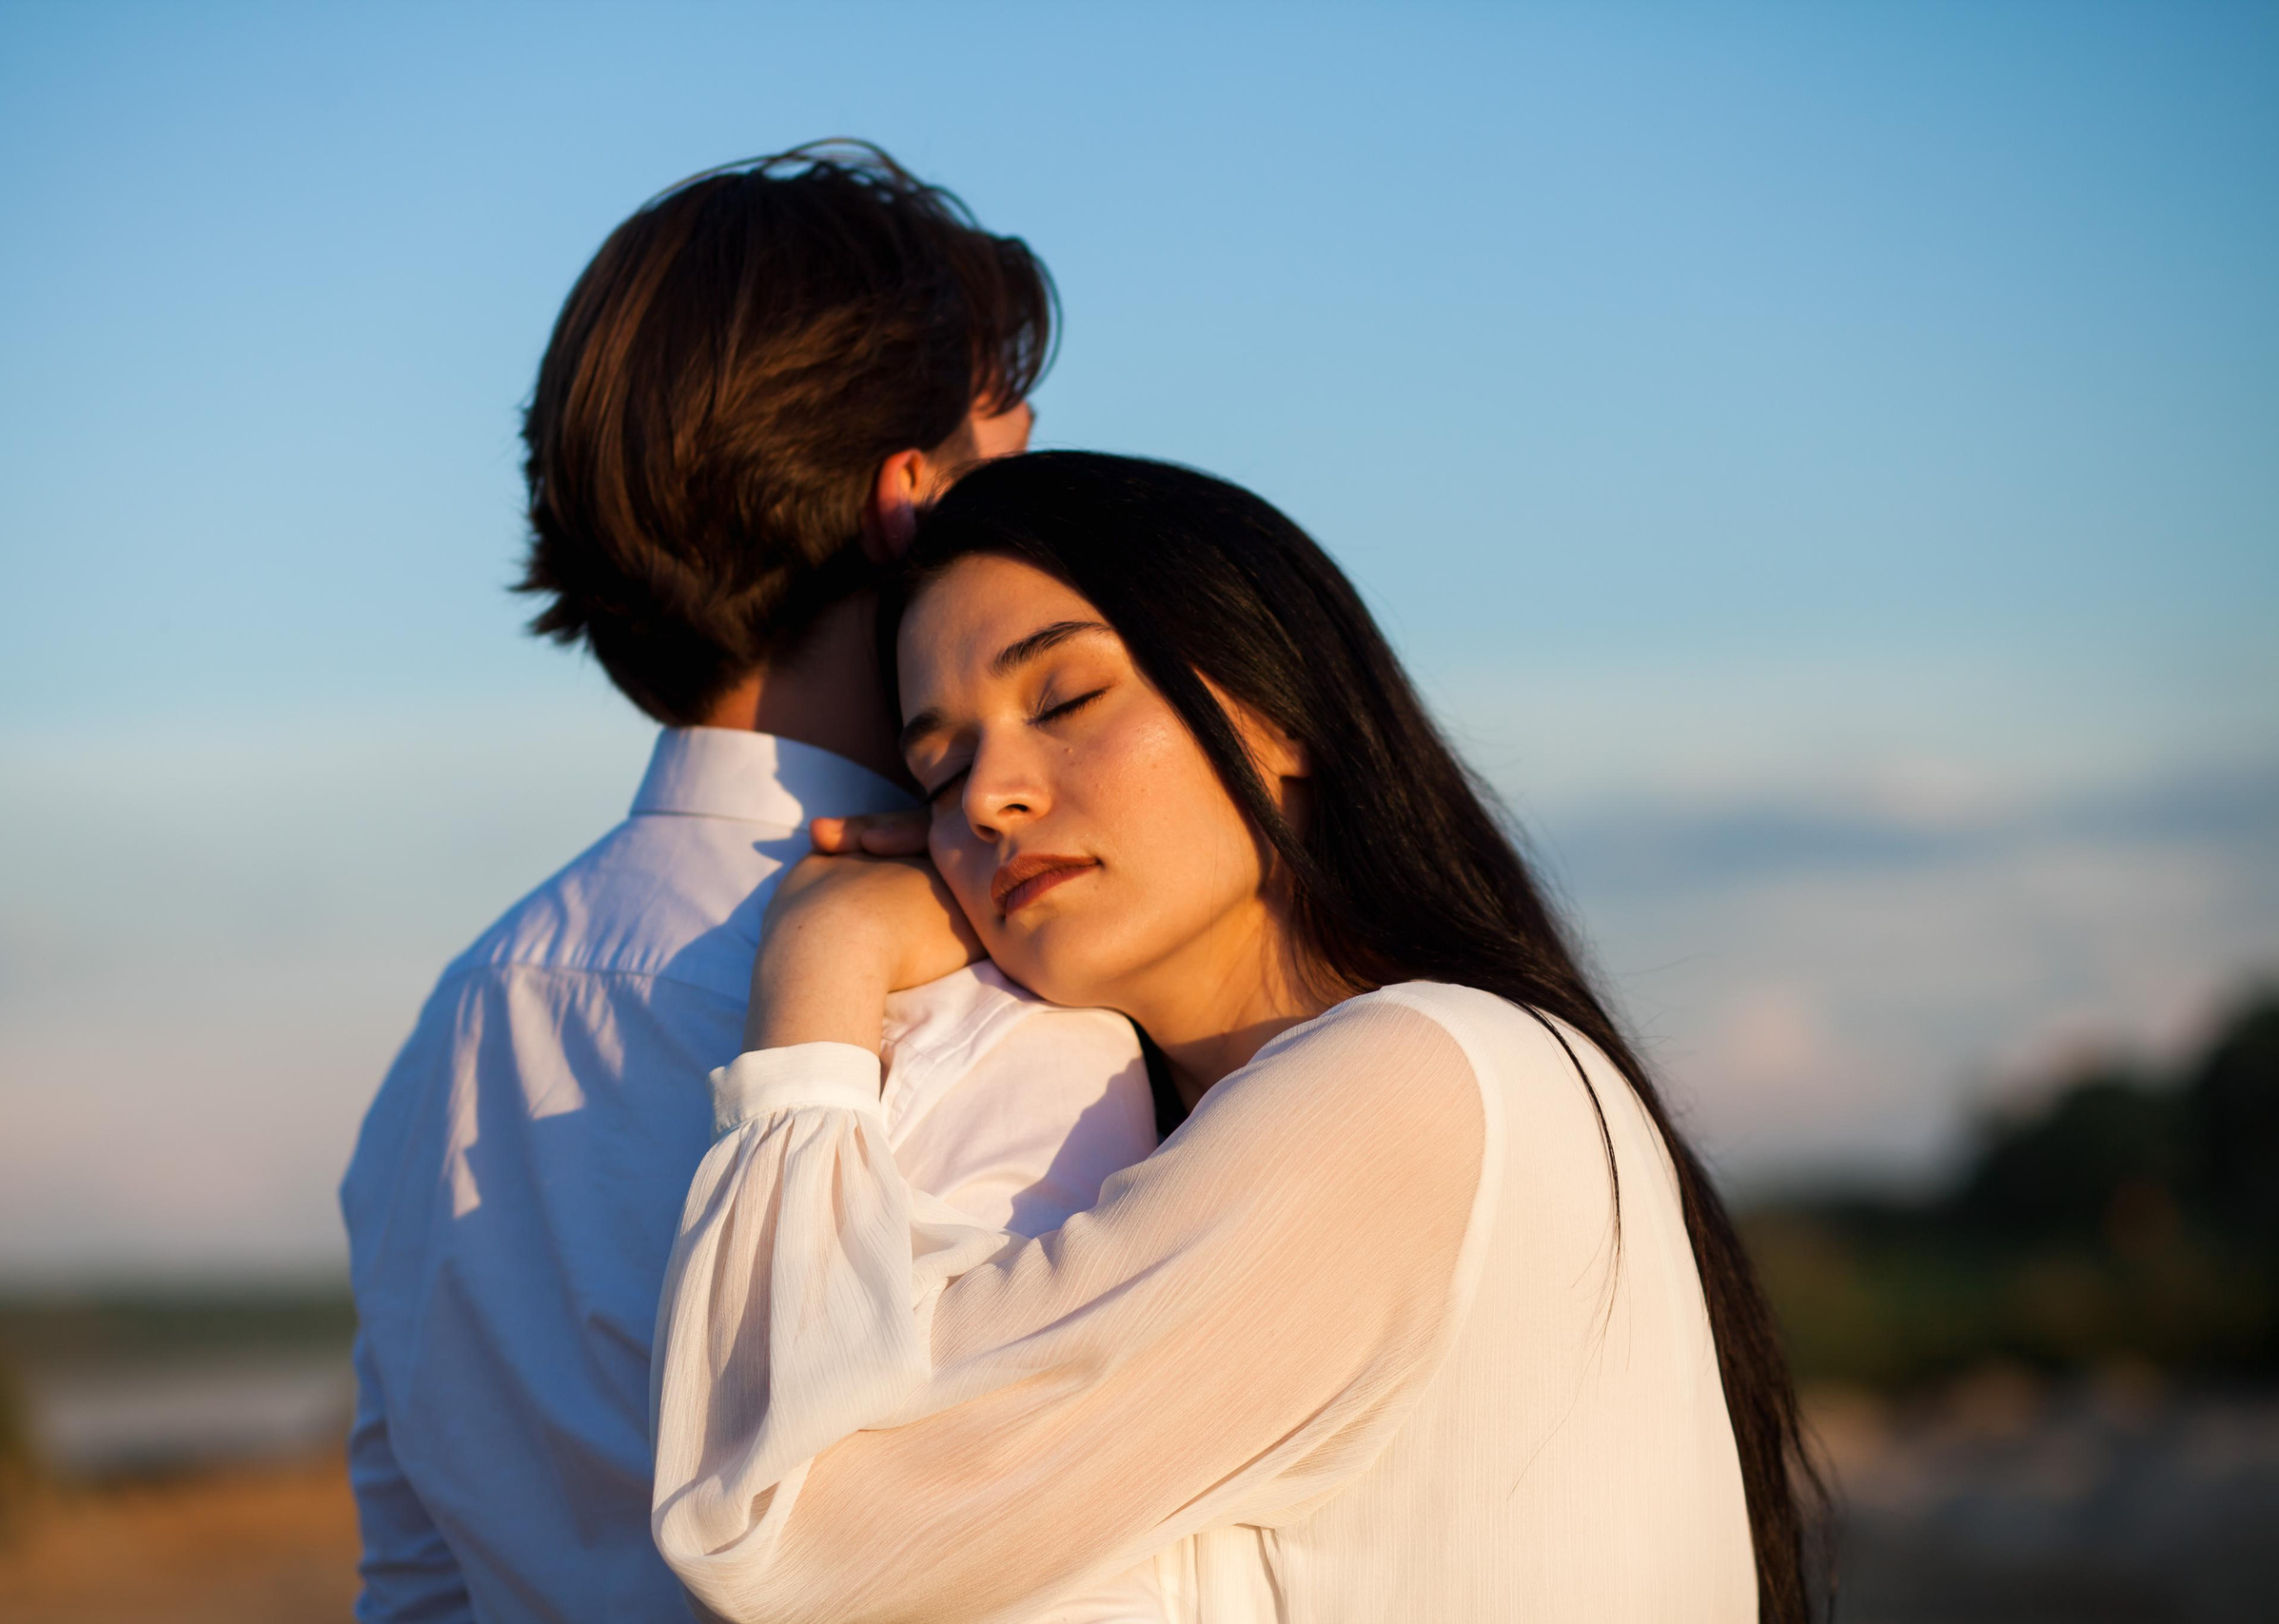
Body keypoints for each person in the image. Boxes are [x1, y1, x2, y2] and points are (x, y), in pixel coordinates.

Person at [653, 452, 1827, 1623]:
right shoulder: (1447, 1075)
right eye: (938, 764)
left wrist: (822, 968)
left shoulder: (1406, 1085)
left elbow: (786, 1542)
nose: (988, 796)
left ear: (1282, 712)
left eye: (1065, 701)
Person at [340, 147, 1166, 1624]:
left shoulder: (450, 1036)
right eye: (1011, 445)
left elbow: (416, 1585)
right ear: (912, 506)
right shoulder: (996, 1005)